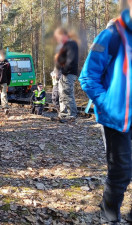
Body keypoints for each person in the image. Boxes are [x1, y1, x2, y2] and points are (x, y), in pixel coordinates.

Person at [79, 0, 132, 223]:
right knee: (121, 172)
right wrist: (107, 104)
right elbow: (88, 77)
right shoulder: (109, 36)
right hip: (117, 119)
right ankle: (108, 214)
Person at [54, 27, 79, 119]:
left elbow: (71, 59)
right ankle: (63, 113)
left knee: (67, 93)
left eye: (58, 36)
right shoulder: (64, 46)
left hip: (68, 72)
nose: (57, 39)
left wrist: (64, 70)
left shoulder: (71, 44)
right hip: (63, 73)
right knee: (61, 93)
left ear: (63, 35)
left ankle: (72, 114)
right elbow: (60, 59)